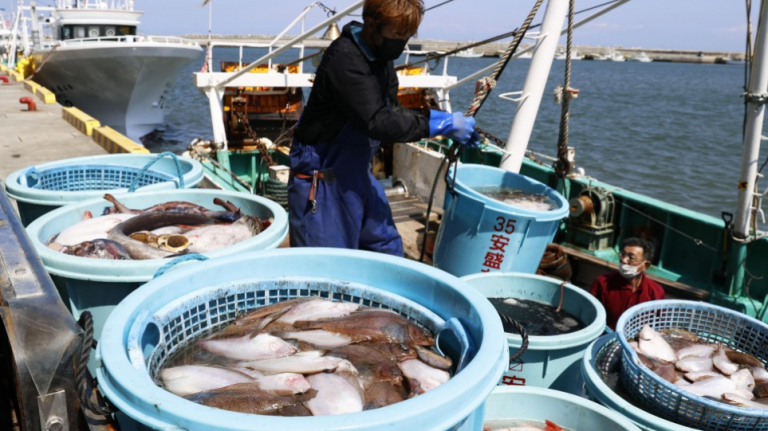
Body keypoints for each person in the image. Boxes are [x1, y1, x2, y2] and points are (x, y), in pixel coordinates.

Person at [289, 0, 480, 257]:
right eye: (397, 34)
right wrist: (442, 126)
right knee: (328, 265)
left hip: (358, 173)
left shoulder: (381, 57)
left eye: (407, 36)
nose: (401, 43)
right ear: (371, 24)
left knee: (387, 246)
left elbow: (391, 110)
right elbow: (376, 121)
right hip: (323, 177)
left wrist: (439, 117)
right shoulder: (345, 58)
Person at [590, 237, 665, 330]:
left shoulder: (656, 291)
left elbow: (660, 324)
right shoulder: (602, 283)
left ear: (645, 266)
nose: (624, 260)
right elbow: (590, 315)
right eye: (622, 254)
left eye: (631, 257)